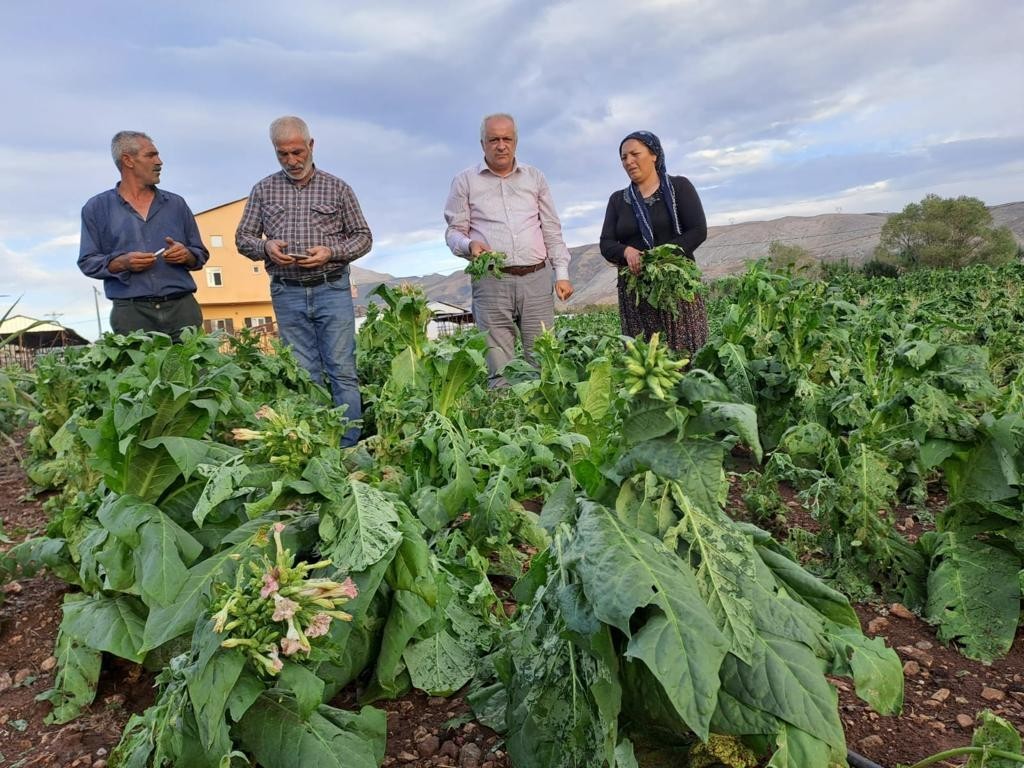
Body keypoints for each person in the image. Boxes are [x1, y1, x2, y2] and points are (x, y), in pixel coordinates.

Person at [235, 116, 371, 446]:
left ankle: (349, 446)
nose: (292, 161)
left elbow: (363, 237)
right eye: (283, 154)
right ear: (275, 151)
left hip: (331, 287)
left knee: (341, 370)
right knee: (304, 373)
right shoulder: (263, 190)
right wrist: (266, 246)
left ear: (311, 146)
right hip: (288, 292)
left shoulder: (337, 188)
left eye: (297, 152)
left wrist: (331, 251)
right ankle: (317, 444)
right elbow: (243, 238)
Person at [444, 113, 574, 386]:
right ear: (483, 144)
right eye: (494, 140)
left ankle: (542, 423)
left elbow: (551, 228)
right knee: (500, 367)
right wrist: (469, 245)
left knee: (543, 361)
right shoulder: (464, 181)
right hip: (491, 280)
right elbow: (454, 231)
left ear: (516, 142)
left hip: (536, 279)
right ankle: (506, 422)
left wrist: (561, 273)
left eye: (507, 139)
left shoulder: (534, 178)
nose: (501, 145)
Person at [78, 131, 209, 342]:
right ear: (128, 160)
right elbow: (87, 262)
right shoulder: (97, 208)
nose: (159, 161)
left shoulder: (176, 204)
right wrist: (122, 262)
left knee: (194, 374)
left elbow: (200, 254)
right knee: (140, 375)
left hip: (182, 310)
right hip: (131, 315)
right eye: (151, 155)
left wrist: (186, 255)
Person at [599, 130, 709, 355]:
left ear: (654, 155)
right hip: (637, 294)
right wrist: (626, 251)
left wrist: (660, 258)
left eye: (634, 154)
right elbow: (606, 243)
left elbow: (698, 231)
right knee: (644, 360)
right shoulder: (618, 200)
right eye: (623, 157)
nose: (628, 161)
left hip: (676, 288)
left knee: (684, 352)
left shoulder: (679, 188)